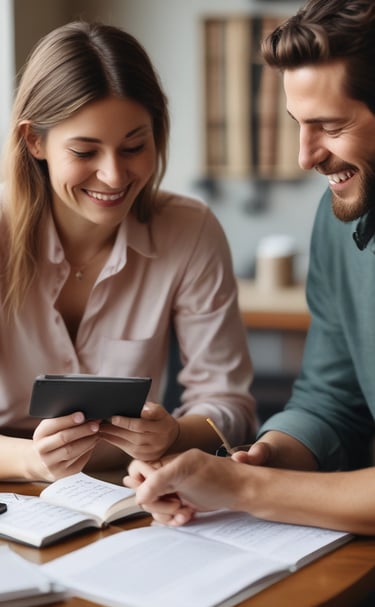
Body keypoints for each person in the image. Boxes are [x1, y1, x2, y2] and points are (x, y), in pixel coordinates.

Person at [125, 0, 375, 536]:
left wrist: (245, 489)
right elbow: (330, 402)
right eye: (298, 125)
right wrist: (258, 460)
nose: (305, 157)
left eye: (329, 126)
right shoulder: (336, 222)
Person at [0, 21, 257, 482]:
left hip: (128, 493)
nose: (115, 176)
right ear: (34, 141)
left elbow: (230, 407)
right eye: (84, 151)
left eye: (134, 146)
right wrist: (31, 462)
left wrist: (174, 433)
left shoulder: (190, 231)